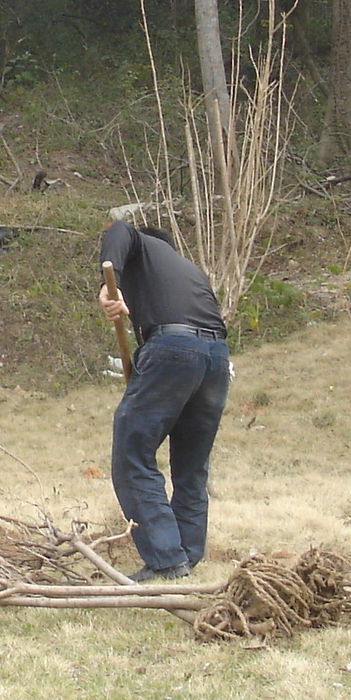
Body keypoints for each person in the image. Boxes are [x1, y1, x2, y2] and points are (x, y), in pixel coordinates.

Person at [97, 222, 229, 582]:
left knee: (132, 453)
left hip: (173, 348)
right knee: (192, 465)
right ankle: (187, 555)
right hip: (216, 357)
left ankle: (166, 558)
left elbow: (120, 229)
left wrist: (110, 283)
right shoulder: (190, 271)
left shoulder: (142, 244)